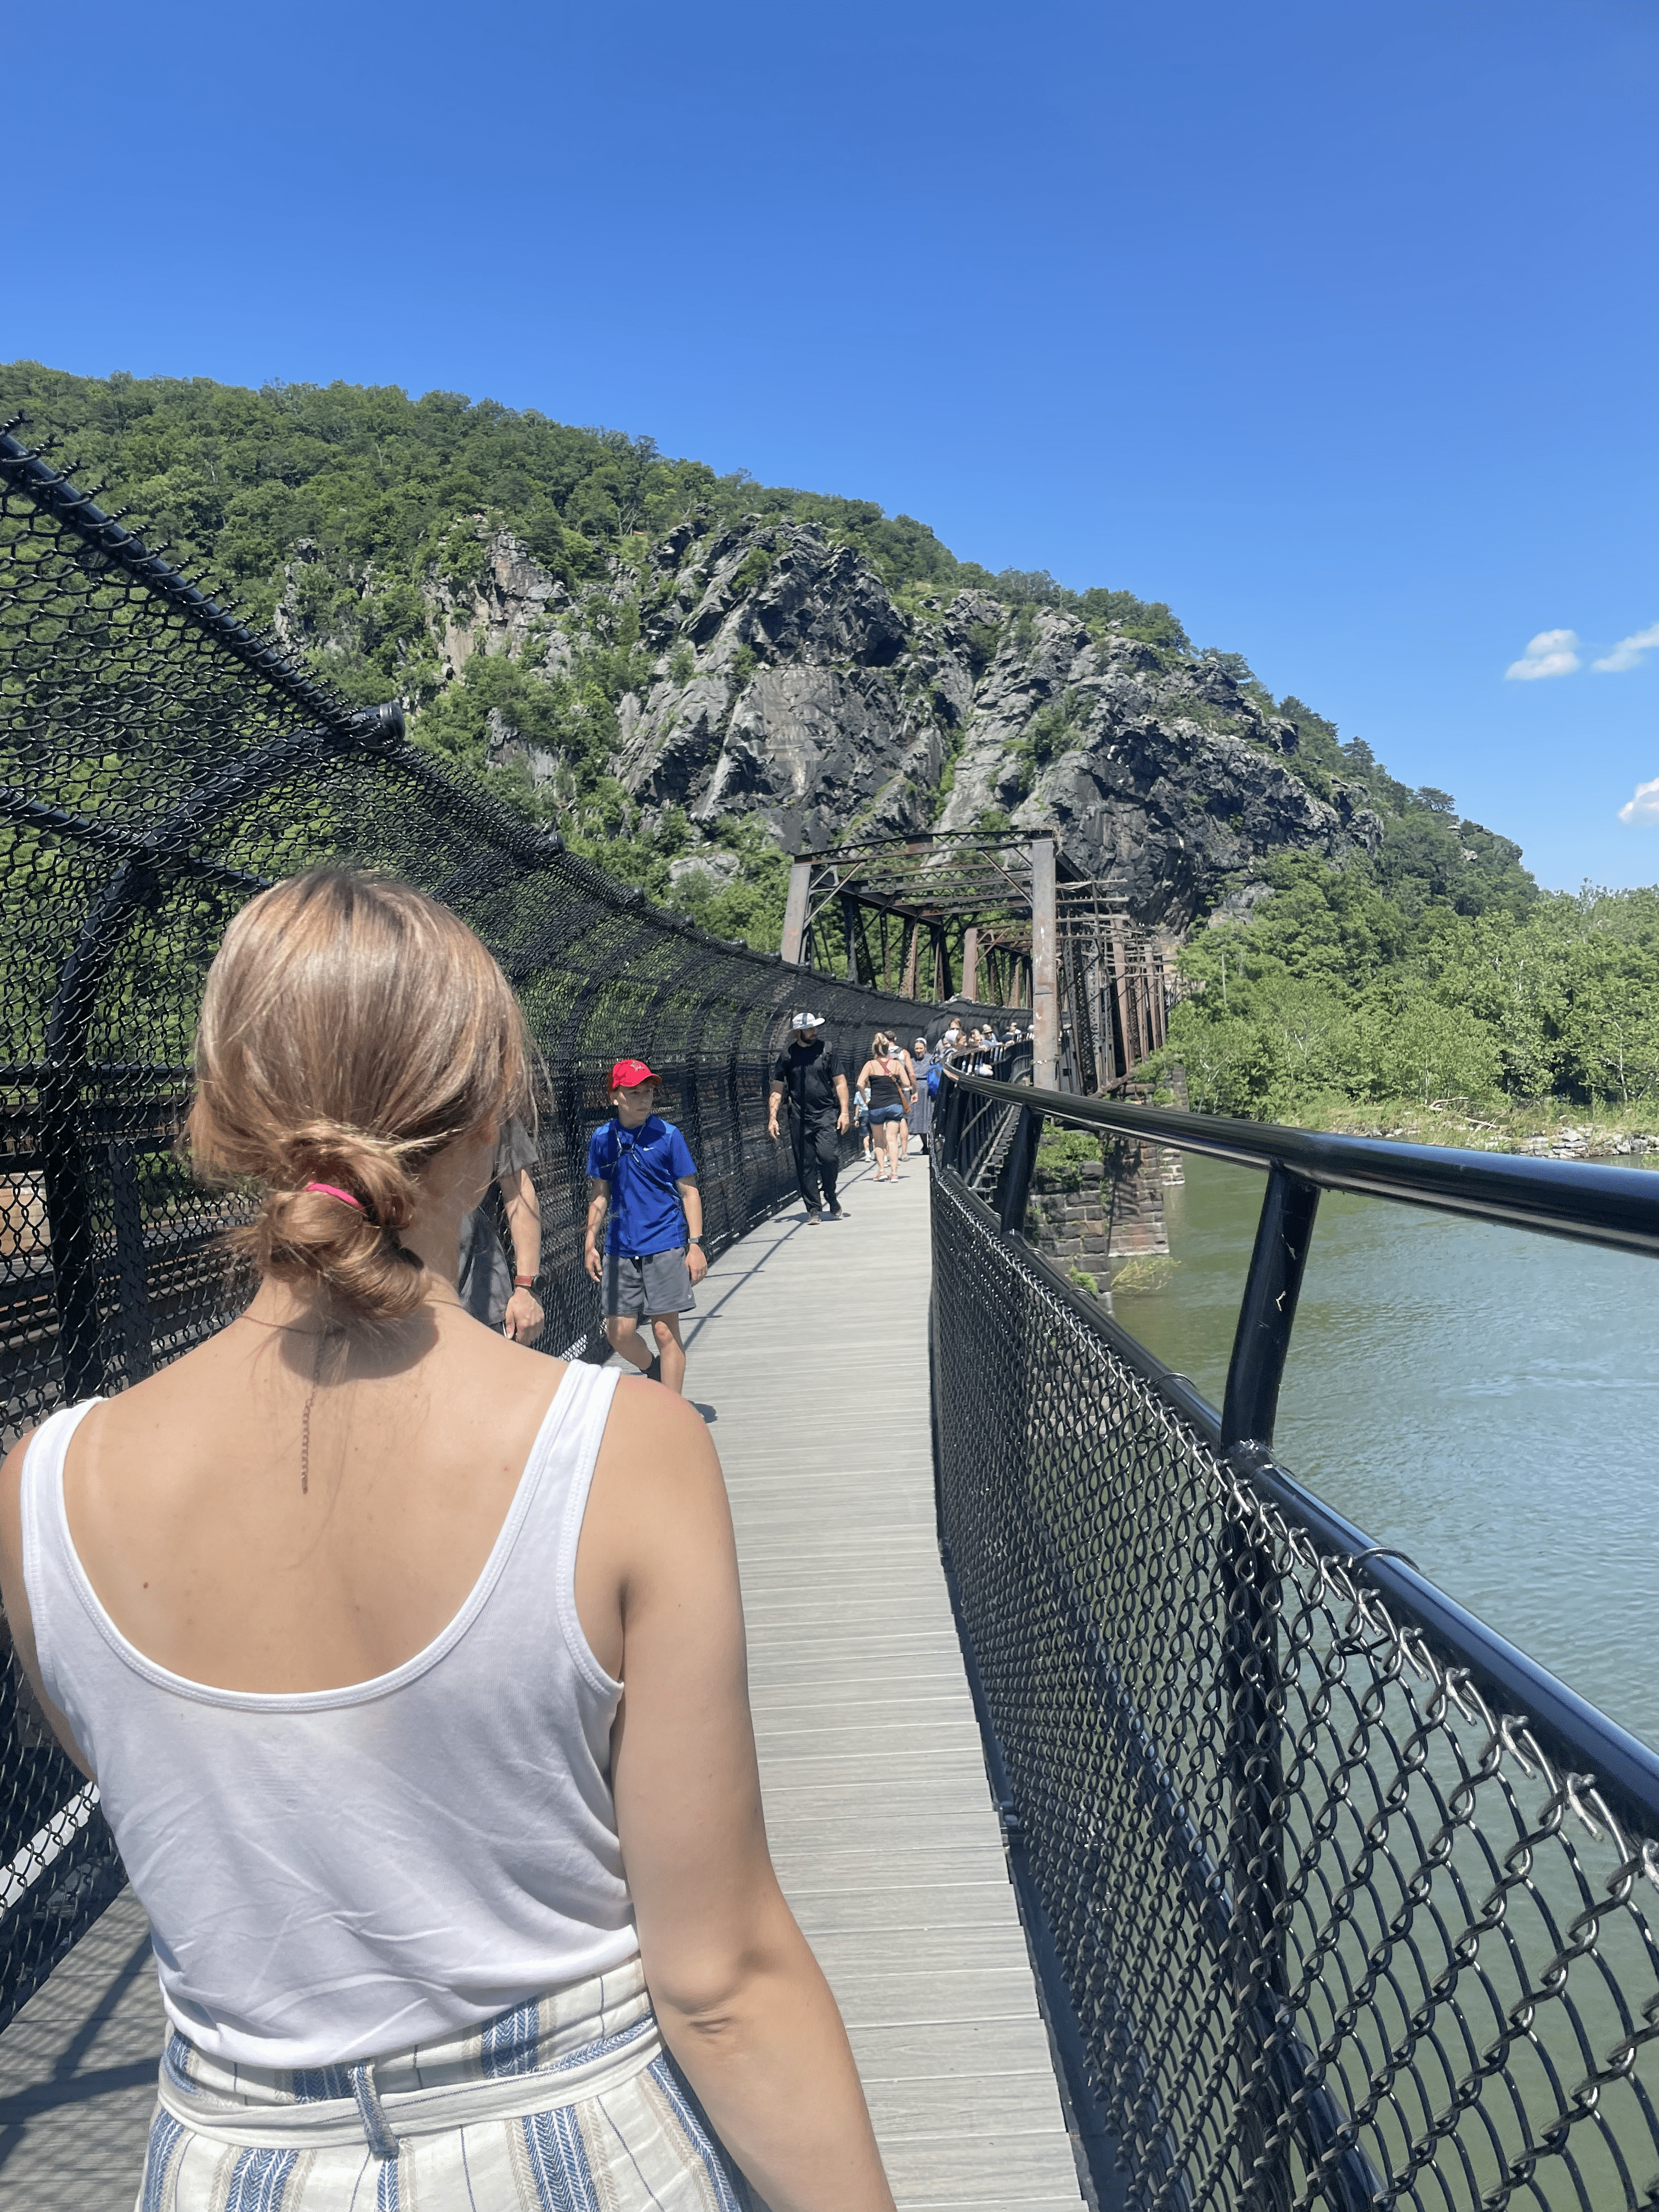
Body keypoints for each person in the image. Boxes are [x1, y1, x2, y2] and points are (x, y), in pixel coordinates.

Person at [0, 870, 894, 2212]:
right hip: (575, 2139)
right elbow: (718, 1984)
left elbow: (169, 1784)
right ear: (489, 1122)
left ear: (222, 1116)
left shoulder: (39, 1490)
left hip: (232, 2161)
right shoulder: (623, 1452)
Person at [585, 1058, 708, 1396]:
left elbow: (689, 1191)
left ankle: (672, 1411)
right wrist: (590, 1240)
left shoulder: (669, 1136)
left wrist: (694, 1245)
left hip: (665, 1242)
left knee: (666, 1332)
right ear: (614, 1096)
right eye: (634, 1092)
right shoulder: (602, 1139)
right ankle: (654, 1371)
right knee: (618, 1332)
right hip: (620, 1248)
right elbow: (600, 1195)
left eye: (649, 1092)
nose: (643, 1099)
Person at [456, 1117, 545, 1339]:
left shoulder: (489, 1098)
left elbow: (518, 1190)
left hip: (481, 1298)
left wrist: (527, 1287)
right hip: (404, 1300)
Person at [768, 1012, 851, 1223]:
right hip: (798, 1116)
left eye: (815, 1028)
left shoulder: (827, 1050)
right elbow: (778, 1088)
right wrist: (773, 1117)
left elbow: (840, 1083)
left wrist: (844, 1112)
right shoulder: (788, 1055)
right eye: (810, 1029)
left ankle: (830, 1194)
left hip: (826, 1114)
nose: (814, 1032)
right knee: (805, 1164)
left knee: (829, 1158)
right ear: (798, 1032)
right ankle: (813, 1208)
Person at [855, 1035, 915, 1185]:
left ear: (874, 1050)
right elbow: (907, 1084)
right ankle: (894, 1174)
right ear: (888, 1050)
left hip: (876, 1106)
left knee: (879, 1140)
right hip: (895, 1105)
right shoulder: (896, 1065)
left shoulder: (870, 1065)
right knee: (892, 1139)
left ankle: (882, 1171)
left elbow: (860, 1084)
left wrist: (866, 1099)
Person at [909, 1035, 936, 1154]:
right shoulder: (910, 1062)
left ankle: (933, 1145)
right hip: (916, 1092)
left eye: (921, 1048)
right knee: (918, 1119)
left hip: (929, 1091)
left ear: (925, 1048)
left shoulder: (932, 1059)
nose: (919, 1051)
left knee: (929, 1118)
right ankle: (925, 1145)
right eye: (917, 1049)